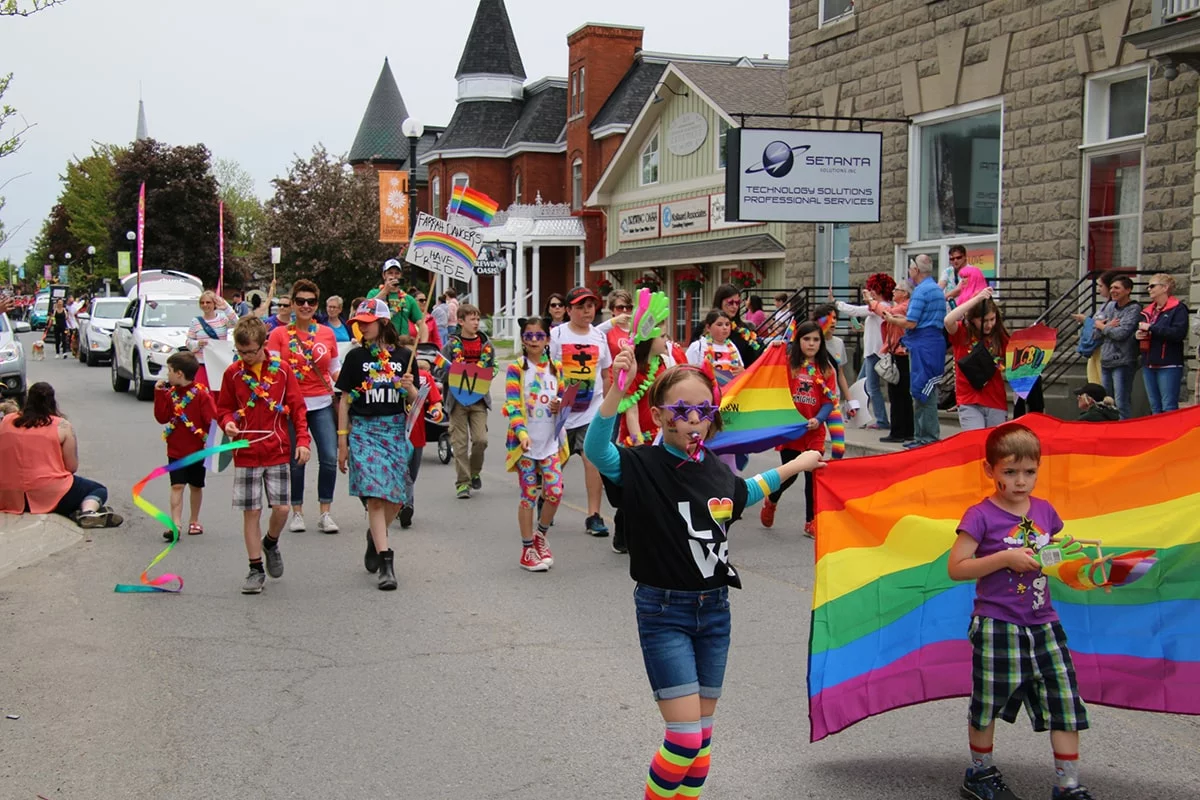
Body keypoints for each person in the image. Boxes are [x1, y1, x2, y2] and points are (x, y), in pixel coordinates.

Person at [584, 352, 823, 800]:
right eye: (681, 411)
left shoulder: (715, 468)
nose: (694, 420)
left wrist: (799, 464)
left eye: (703, 410)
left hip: (714, 613)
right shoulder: (642, 465)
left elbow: (746, 492)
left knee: (702, 741)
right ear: (659, 416)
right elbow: (596, 450)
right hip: (664, 612)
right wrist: (618, 387)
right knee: (684, 739)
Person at [948, 424, 1093, 800]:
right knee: (988, 702)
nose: (1020, 481)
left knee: (1065, 701)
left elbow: (1055, 551)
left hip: (1044, 623)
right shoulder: (980, 515)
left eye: (1029, 472)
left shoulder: (1045, 510)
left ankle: (1068, 785)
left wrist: (1072, 555)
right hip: (997, 624)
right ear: (989, 470)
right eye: (1009, 472)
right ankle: (979, 775)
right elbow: (957, 567)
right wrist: (1004, 558)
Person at [216, 316, 311, 595]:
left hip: (277, 448)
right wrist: (227, 423)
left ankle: (271, 542)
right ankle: (255, 568)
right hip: (246, 451)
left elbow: (297, 407)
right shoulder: (232, 373)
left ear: (263, 345)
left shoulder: (281, 371)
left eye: (251, 352)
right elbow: (223, 408)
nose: (245, 357)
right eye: (241, 352)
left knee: (282, 509)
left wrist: (302, 440)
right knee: (251, 511)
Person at [335, 299, 415, 591]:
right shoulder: (355, 357)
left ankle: (375, 535)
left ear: (382, 322)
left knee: (396, 498)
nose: (361, 326)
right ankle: (386, 561)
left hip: (394, 430)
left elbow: (416, 401)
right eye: (358, 322)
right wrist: (342, 441)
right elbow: (344, 399)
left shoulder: (406, 356)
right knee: (375, 497)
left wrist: (410, 388)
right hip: (364, 430)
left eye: (366, 321)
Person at [267, 279, 342, 535]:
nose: (306, 306)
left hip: (321, 402)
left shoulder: (326, 333)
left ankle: (325, 512)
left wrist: (358, 383)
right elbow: (274, 373)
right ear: (293, 304)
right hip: (291, 406)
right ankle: (297, 512)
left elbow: (335, 370)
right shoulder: (278, 335)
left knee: (330, 457)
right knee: (296, 461)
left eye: (311, 301)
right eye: (300, 301)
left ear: (317, 305)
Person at [0, 382, 123, 527]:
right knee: (98, 489)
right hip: (49, 493)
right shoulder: (62, 426)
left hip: (8, 494)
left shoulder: (7, 421)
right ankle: (87, 511)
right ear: (52, 401)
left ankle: (76, 511)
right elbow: (71, 467)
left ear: (28, 400)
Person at [760, 321, 839, 536]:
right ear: (798, 341)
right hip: (792, 431)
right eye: (806, 339)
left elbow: (829, 400)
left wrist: (820, 419)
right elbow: (770, 375)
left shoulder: (826, 369)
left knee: (812, 477)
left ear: (821, 343)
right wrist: (773, 348)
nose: (811, 344)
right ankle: (772, 500)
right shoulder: (789, 364)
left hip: (814, 432)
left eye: (815, 339)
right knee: (790, 474)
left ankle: (810, 521)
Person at [503, 316, 568, 572]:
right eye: (528, 336)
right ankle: (527, 548)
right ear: (523, 339)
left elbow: (563, 400)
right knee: (529, 494)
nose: (533, 340)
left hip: (550, 441)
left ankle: (541, 536)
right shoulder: (516, 369)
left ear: (547, 340)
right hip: (525, 444)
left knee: (555, 491)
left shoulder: (557, 367)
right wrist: (521, 433)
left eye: (538, 336)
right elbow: (512, 404)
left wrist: (558, 405)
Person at [550, 286, 613, 536]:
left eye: (590, 305)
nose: (587, 310)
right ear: (568, 310)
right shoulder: (557, 335)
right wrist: (551, 400)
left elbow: (606, 374)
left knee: (592, 461)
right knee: (556, 463)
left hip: (591, 410)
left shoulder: (599, 337)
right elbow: (547, 371)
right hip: (562, 413)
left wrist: (606, 407)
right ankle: (547, 498)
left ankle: (594, 515)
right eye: (580, 306)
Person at [153, 351, 218, 540]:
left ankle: (194, 520)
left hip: (197, 449)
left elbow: (211, 419)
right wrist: (158, 394)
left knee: (196, 486)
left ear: (179, 374)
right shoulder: (169, 394)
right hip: (175, 449)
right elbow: (161, 417)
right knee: (177, 485)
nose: (167, 375)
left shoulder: (201, 395)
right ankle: (175, 525)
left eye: (170, 371)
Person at [887, 255, 946, 447]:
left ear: (917, 270)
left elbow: (911, 322)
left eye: (911, 268)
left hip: (923, 344)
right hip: (933, 343)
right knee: (925, 389)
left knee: (922, 390)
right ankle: (923, 436)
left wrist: (892, 319)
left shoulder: (921, 292)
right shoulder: (936, 289)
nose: (909, 271)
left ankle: (926, 438)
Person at [444, 303, 495, 499]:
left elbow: (493, 367)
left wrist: (488, 373)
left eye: (477, 319)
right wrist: (451, 371)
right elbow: (438, 369)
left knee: (481, 440)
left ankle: (474, 471)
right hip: (457, 400)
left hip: (479, 399)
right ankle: (462, 483)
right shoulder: (451, 345)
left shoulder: (486, 345)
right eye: (472, 319)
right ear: (460, 321)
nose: (476, 323)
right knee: (460, 444)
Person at [1074, 274, 1139, 420]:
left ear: (1128, 290)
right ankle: (1108, 430)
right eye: (1111, 288)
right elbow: (1095, 334)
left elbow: (1121, 333)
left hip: (1123, 360)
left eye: (1117, 288)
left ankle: (1124, 432)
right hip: (1106, 359)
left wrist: (1102, 327)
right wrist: (1106, 326)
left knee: (1121, 401)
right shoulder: (1109, 306)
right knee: (1105, 402)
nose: (1112, 291)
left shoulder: (1133, 309)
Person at [944, 287, 1009, 431]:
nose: (989, 324)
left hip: (995, 400)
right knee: (975, 445)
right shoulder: (962, 332)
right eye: (984, 320)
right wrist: (977, 299)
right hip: (969, 399)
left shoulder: (999, 336)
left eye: (992, 319)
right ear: (973, 319)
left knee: (994, 447)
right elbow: (948, 320)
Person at [835, 273, 894, 430]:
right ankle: (858, 416)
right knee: (861, 386)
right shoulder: (878, 308)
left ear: (879, 290)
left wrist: (836, 303)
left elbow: (855, 310)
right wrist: (861, 329)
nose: (869, 292)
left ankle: (881, 420)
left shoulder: (881, 307)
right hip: (872, 352)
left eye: (872, 289)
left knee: (871, 387)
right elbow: (874, 327)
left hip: (875, 352)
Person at [401, 356, 445, 529]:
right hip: (393, 434)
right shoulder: (388, 375)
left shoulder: (424, 377)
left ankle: (402, 504)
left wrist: (436, 411)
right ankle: (406, 506)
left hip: (416, 435)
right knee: (403, 474)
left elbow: (435, 401)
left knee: (411, 474)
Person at [1137, 273, 1189, 414]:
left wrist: (1151, 328)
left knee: (1169, 407)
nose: (1149, 289)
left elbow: (1178, 333)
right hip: (1149, 362)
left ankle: (1171, 436)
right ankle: (1158, 435)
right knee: (1155, 407)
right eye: (1148, 286)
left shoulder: (1178, 308)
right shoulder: (1149, 311)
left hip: (1169, 363)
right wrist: (1137, 335)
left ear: (1165, 288)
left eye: (1152, 285)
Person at [878, 280, 914, 443]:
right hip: (899, 353)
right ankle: (905, 431)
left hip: (901, 354)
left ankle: (899, 431)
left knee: (898, 394)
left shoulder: (903, 307)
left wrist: (872, 302)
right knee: (901, 394)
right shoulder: (905, 306)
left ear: (905, 293)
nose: (893, 292)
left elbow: (886, 312)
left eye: (896, 290)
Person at [186, 290, 240, 395]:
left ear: (214, 304)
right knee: (202, 393)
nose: (205, 305)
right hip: (202, 363)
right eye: (202, 302)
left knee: (220, 394)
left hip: (219, 363)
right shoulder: (195, 321)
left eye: (208, 302)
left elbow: (238, 323)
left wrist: (226, 308)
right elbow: (188, 342)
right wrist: (197, 344)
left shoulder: (222, 319)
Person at [1070, 272, 1115, 386]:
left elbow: (1105, 325)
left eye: (1101, 286)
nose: (1098, 289)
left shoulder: (1113, 306)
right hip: (1094, 348)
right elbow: (1098, 323)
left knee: (1102, 383)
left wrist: (1086, 320)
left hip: (1103, 348)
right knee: (1093, 382)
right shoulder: (1104, 305)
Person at [686, 310, 744, 389]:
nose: (725, 328)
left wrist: (742, 372)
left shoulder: (732, 347)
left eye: (727, 324)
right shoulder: (697, 346)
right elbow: (686, 371)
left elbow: (740, 369)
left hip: (728, 393)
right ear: (708, 327)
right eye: (719, 324)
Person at [367, 258, 423, 338]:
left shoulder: (408, 299)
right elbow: (366, 310)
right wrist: (385, 291)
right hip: (380, 342)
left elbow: (421, 323)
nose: (394, 276)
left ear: (400, 276)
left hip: (401, 344)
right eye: (390, 273)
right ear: (384, 275)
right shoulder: (373, 293)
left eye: (397, 273)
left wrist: (424, 343)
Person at [711, 284, 763, 366]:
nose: (735, 306)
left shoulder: (744, 330)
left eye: (737, 303)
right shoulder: (706, 327)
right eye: (730, 303)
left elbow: (754, 359)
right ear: (720, 302)